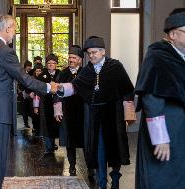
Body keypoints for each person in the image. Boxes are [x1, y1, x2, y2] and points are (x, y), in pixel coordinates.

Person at [0, 14, 57, 189]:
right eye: (14, 30)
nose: (14, 34)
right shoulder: (6, 52)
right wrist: (49, 87)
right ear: (7, 28)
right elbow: (25, 79)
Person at [58, 36, 135, 189]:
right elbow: (75, 87)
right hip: (95, 117)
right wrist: (59, 88)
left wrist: (129, 116)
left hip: (113, 115)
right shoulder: (87, 70)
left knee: (115, 148)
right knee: (99, 149)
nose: (91, 56)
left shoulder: (115, 67)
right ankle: (101, 182)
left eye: (94, 52)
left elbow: (127, 90)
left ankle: (115, 177)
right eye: (89, 53)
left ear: (103, 52)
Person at [134, 9, 185, 189]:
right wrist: (160, 137)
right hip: (166, 130)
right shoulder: (157, 55)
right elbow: (151, 98)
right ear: (172, 34)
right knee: (162, 178)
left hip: (181, 131)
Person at [54, 45, 85, 176]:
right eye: (70, 57)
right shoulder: (63, 73)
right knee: (69, 141)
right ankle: (72, 166)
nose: (71, 60)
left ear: (80, 60)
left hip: (83, 112)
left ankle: (90, 167)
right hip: (67, 112)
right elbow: (56, 93)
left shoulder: (86, 72)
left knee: (86, 141)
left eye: (74, 58)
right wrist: (57, 111)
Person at [36, 53, 61, 156]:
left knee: (55, 124)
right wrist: (36, 106)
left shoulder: (61, 74)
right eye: (49, 63)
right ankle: (48, 147)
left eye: (53, 63)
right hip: (45, 102)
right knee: (45, 125)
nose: (51, 65)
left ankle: (53, 143)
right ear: (46, 64)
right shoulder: (42, 75)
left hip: (57, 103)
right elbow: (38, 89)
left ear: (56, 64)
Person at [18, 60, 33, 128]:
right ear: (25, 67)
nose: (30, 68)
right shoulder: (21, 73)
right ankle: (25, 123)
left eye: (30, 66)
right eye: (28, 66)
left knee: (29, 108)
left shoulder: (31, 73)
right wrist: (20, 91)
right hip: (23, 93)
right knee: (24, 109)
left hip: (29, 93)